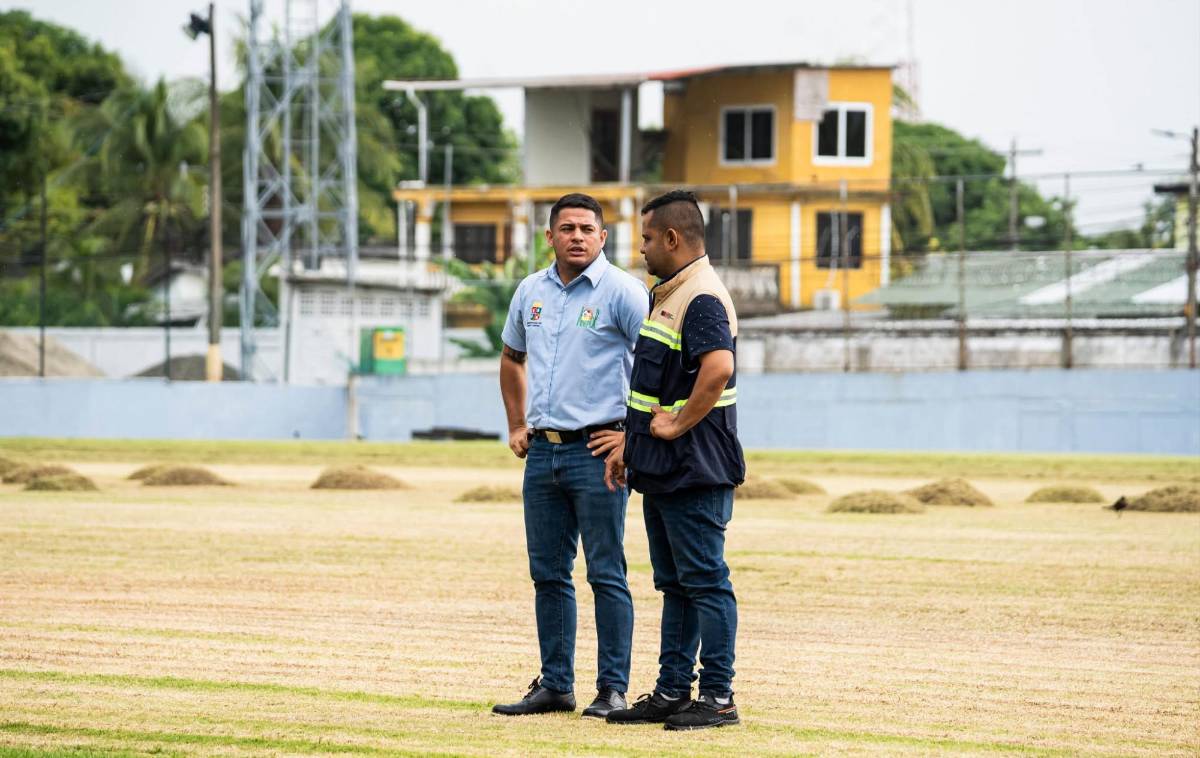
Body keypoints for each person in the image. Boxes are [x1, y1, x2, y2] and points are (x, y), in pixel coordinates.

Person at [491, 192, 649, 719]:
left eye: (587, 228)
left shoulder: (623, 292)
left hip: (599, 452)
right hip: (543, 454)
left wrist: (632, 435)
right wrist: (516, 423)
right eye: (567, 228)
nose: (577, 236)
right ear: (550, 236)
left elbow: (658, 367)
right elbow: (512, 358)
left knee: (606, 572)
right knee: (548, 573)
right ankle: (556, 685)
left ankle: (613, 690)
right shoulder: (529, 291)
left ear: (603, 237)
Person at [604, 190, 745, 731]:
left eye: (644, 237)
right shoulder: (671, 294)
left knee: (706, 582)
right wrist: (632, 447)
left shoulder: (702, 296)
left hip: (695, 468)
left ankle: (717, 697)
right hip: (663, 469)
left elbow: (717, 369)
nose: (640, 248)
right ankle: (670, 691)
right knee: (677, 585)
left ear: (672, 238)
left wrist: (676, 423)